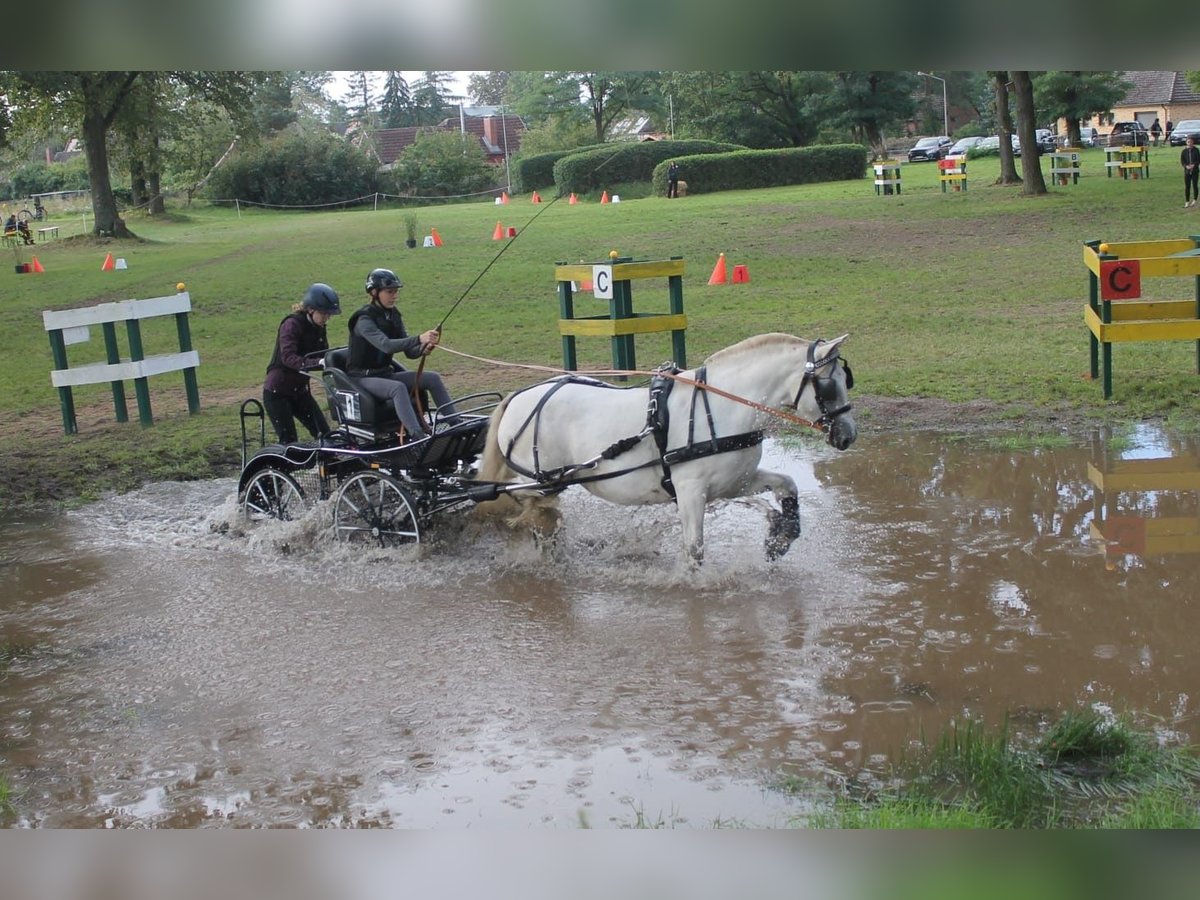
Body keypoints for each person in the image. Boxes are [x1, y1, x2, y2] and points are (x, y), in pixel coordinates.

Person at [346, 267, 459, 442]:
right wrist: (419, 338)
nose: (394, 296)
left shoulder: (393, 315)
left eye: (396, 292)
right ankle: (418, 436)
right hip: (361, 379)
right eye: (389, 292)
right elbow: (386, 346)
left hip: (385, 373)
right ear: (374, 292)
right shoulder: (364, 320)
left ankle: (456, 424)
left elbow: (410, 353)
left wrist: (423, 348)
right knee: (397, 389)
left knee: (433, 378)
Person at [262, 282, 340, 443]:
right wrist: (319, 362)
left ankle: (326, 466)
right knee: (289, 439)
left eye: (329, 314)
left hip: (300, 391)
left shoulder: (319, 326)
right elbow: (288, 358)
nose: (327, 318)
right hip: (278, 392)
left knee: (324, 433)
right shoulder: (292, 324)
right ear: (310, 309)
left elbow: (323, 353)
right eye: (324, 313)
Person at [1182, 135, 1200, 208]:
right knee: (1187, 186)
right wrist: (1186, 166)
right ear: (1186, 142)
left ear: (1193, 142)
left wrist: (1194, 165)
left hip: (1195, 170)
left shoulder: (1196, 150)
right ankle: (1187, 201)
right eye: (1188, 142)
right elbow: (1182, 160)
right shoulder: (1184, 151)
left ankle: (1195, 200)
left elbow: (1198, 160)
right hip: (1187, 171)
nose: (1190, 143)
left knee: (1195, 185)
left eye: (1191, 142)